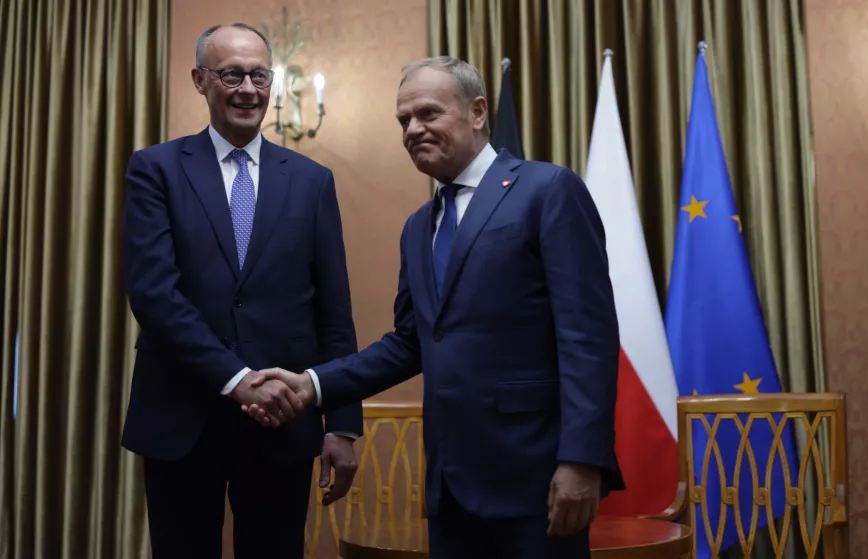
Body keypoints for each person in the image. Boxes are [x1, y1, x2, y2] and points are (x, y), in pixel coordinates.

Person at [248, 56, 624, 559]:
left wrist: (582, 459)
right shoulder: (418, 226)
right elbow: (411, 343)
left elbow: (588, 336)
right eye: (403, 120)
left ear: (477, 112)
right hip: (450, 485)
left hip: (536, 475)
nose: (412, 129)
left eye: (428, 113)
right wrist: (313, 384)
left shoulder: (547, 190)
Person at [119, 22, 362, 558]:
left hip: (284, 425)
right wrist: (237, 379)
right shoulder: (155, 170)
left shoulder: (312, 179)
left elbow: (333, 311)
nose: (249, 89)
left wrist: (343, 424)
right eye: (232, 75)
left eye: (259, 75)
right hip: (181, 416)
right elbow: (155, 296)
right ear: (200, 80)